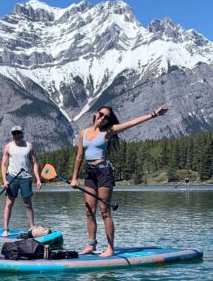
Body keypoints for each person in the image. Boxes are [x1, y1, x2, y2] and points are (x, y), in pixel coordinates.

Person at [70, 105, 168, 257]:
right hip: (89, 174)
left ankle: (110, 248)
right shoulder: (83, 133)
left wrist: (154, 114)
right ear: (96, 114)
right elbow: (79, 157)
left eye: (106, 117)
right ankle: (91, 245)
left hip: (104, 172)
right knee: (89, 211)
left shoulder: (108, 132)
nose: (102, 118)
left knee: (105, 211)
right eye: (101, 114)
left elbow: (132, 123)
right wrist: (74, 178)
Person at [0, 125, 42, 235]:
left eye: (18, 133)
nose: (16, 135)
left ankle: (32, 228)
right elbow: (3, 165)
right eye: (14, 133)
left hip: (26, 177)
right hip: (12, 177)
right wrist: (4, 180)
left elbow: (35, 163)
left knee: (28, 204)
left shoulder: (29, 146)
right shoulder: (8, 147)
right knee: (9, 203)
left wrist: (38, 178)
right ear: (12, 135)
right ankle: (5, 229)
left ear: (21, 133)